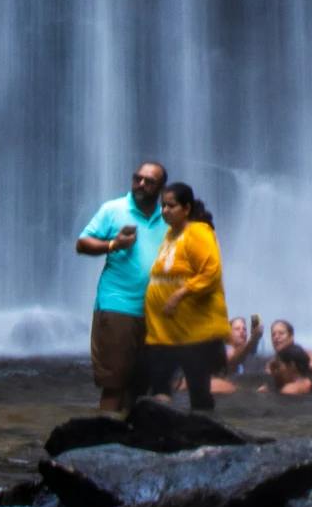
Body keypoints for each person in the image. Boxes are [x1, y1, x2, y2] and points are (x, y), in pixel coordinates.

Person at [77, 161, 169, 413]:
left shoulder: (168, 217)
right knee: (114, 383)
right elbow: (82, 244)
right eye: (137, 178)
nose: (140, 184)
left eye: (149, 181)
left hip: (153, 312)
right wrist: (112, 245)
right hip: (117, 305)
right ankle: (106, 441)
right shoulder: (113, 210)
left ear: (161, 187)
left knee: (139, 386)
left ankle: (127, 443)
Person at [143, 182, 229, 411]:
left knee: (198, 390)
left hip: (193, 332)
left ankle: (206, 434)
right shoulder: (171, 234)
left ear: (186, 208)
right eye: (163, 206)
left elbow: (211, 272)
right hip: (164, 330)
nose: (165, 211)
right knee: (159, 383)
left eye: (171, 206)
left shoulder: (199, 232)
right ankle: (163, 429)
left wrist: (179, 295)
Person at [208, 312, 263, 396]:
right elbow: (232, 359)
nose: (242, 331)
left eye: (244, 329)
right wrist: (253, 339)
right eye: (237, 329)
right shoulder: (222, 349)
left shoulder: (248, 353)